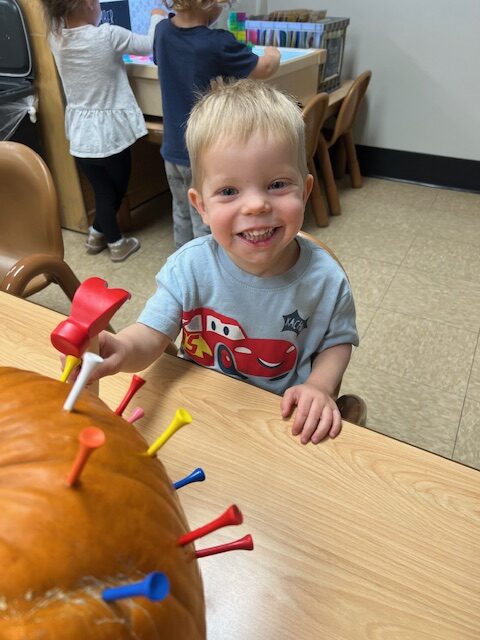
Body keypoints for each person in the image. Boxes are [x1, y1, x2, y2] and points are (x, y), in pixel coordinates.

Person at [90, 78, 359, 444]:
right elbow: (150, 336)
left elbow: (337, 341)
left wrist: (319, 386)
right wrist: (121, 349)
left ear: (306, 190)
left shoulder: (325, 279)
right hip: (198, 412)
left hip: (281, 419)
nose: (256, 205)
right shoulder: (188, 269)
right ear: (201, 206)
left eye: (277, 184)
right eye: (229, 191)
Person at [40, 0, 166, 262]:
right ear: (88, 4)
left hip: (80, 135)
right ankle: (116, 243)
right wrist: (156, 16)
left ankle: (96, 233)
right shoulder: (108, 35)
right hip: (110, 135)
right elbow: (150, 44)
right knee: (113, 192)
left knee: (102, 190)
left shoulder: (55, 38)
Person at [153, 0, 280, 249]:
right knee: (207, 219)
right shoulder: (217, 43)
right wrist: (272, 54)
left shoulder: (162, 31)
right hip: (204, 153)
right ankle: (210, 267)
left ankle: (185, 261)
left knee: (181, 211)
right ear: (210, 3)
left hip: (172, 150)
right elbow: (264, 68)